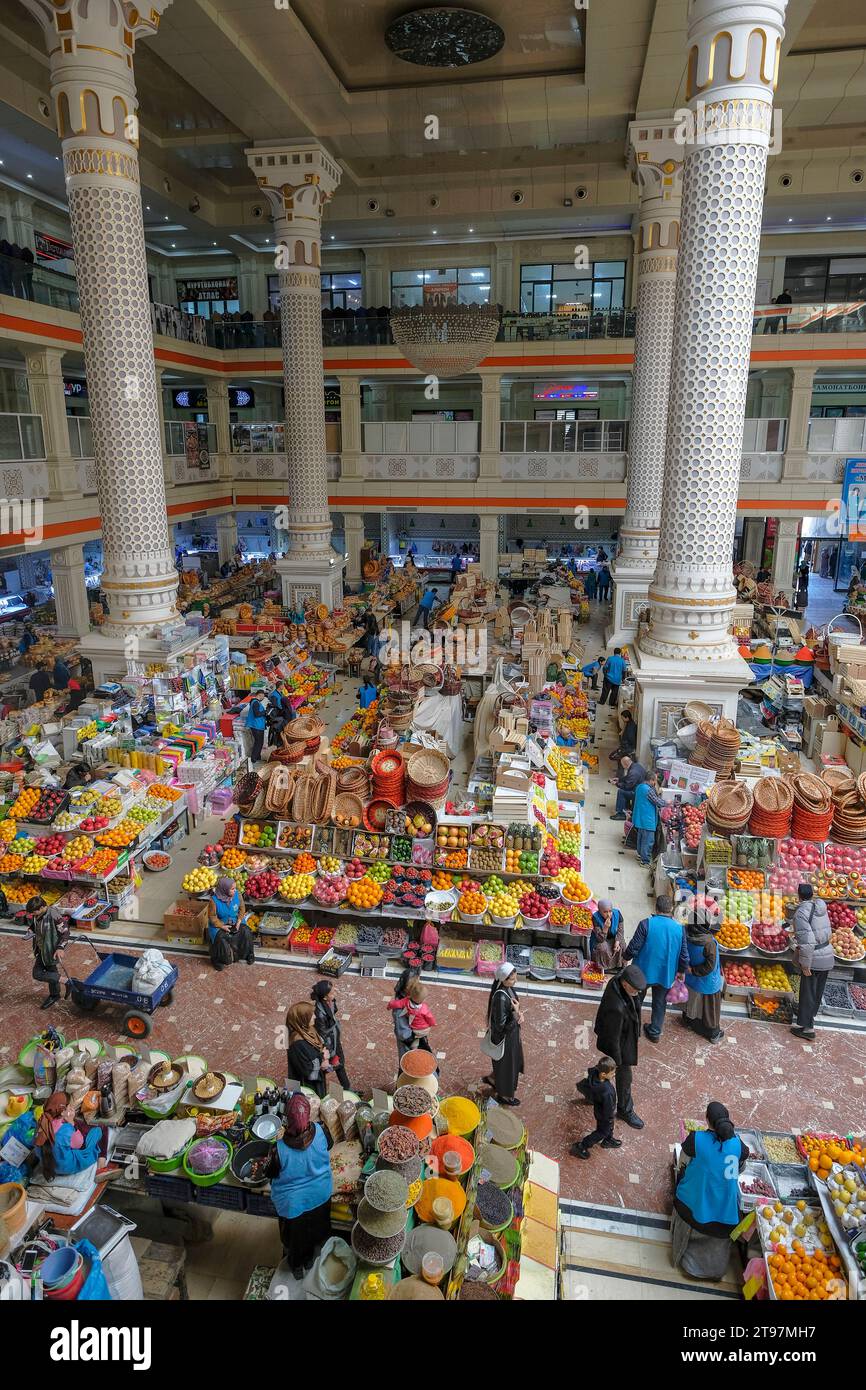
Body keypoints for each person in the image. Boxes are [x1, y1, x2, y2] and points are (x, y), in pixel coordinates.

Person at [672, 1102, 749, 1281]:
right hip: (726, 1213)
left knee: (683, 1186)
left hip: (695, 1208)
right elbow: (741, 1167)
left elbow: (682, 1162)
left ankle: (686, 1257)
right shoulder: (738, 1144)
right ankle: (713, 1270)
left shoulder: (696, 1139)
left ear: (707, 1120)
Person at [265, 1092, 333, 1281]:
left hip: (293, 1205)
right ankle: (311, 1259)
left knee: (296, 1239)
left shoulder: (278, 1149)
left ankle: (296, 1266)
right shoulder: (321, 1130)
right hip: (321, 1194)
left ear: (287, 1120)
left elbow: (269, 1172)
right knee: (315, 1229)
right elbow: (330, 1144)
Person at [579, 963, 646, 1129]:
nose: (638, 993)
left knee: (607, 1069)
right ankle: (625, 1109)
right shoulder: (616, 1007)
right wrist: (617, 1061)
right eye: (635, 990)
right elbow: (612, 1037)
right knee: (624, 1076)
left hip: (623, 1036)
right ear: (625, 985)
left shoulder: (618, 981)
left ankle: (587, 1087)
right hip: (618, 1044)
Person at [624, 893, 688, 1042]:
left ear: (656, 908)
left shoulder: (646, 924)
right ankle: (654, 1032)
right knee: (660, 1003)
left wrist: (625, 958)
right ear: (671, 908)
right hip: (665, 974)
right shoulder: (679, 929)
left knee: (635, 1000)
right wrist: (681, 971)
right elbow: (684, 955)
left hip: (642, 973)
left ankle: (633, 1029)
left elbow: (634, 948)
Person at [791, 883, 834, 1039]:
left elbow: (808, 942)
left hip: (814, 957)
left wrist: (805, 964)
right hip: (827, 955)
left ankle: (808, 1029)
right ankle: (809, 1020)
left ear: (799, 896)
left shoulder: (801, 912)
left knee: (808, 992)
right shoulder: (820, 907)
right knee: (816, 992)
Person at [482, 961, 524, 1107]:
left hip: (511, 1035)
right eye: (512, 979)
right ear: (504, 979)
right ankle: (504, 1096)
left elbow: (511, 1013)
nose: (515, 980)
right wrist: (516, 1016)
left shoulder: (508, 989)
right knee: (508, 1066)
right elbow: (500, 1027)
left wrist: (518, 1013)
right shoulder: (500, 997)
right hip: (505, 1039)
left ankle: (494, 1079)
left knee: (506, 1064)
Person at [34, 1091, 102, 1180]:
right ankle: (102, 1164)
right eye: (69, 1106)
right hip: (66, 1167)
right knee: (99, 1130)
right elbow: (80, 1144)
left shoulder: (41, 1124)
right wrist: (71, 1122)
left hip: (50, 1166)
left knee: (62, 1146)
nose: (71, 1108)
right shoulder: (66, 1129)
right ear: (62, 1112)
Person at [682, 908, 725, 1043]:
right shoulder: (708, 943)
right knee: (709, 1009)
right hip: (707, 981)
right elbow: (710, 966)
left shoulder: (685, 934)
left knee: (692, 1002)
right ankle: (713, 1034)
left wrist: (689, 970)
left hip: (691, 978)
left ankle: (689, 1021)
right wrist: (694, 970)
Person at [570, 1056, 621, 1159]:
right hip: (605, 1115)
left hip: (599, 1110)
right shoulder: (607, 1092)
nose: (614, 1074)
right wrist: (610, 1118)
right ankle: (582, 1145)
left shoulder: (595, 1073)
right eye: (612, 1073)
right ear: (603, 1074)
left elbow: (592, 1069)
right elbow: (608, 1109)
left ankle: (608, 1139)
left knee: (607, 1128)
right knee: (602, 1131)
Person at [27, 895, 69, 1009]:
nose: (33, 915)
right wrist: (31, 929)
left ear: (41, 908)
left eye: (34, 912)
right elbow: (35, 924)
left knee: (37, 973)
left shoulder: (54, 915)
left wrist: (60, 948)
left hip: (50, 951)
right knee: (51, 974)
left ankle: (64, 983)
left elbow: (65, 932)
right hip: (42, 949)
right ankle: (56, 993)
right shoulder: (38, 915)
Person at [206, 876, 255, 971]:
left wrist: (239, 920)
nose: (235, 890)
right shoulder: (214, 901)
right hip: (219, 924)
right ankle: (217, 960)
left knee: (246, 932)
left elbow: (242, 909)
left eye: (235, 888)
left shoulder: (238, 895)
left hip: (235, 920)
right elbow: (212, 917)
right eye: (232, 889)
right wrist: (222, 926)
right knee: (220, 938)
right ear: (224, 889)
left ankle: (249, 954)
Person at [311, 979, 350, 1089]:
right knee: (325, 1067)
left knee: (340, 1063)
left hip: (334, 1039)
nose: (335, 992)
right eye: (332, 992)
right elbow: (322, 1037)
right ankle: (320, 1090)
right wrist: (332, 1054)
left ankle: (347, 1088)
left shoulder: (330, 1002)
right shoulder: (319, 1015)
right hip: (327, 1045)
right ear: (324, 997)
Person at [286, 1002, 330, 1098]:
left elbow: (320, 1046)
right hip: (307, 1088)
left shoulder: (308, 1029)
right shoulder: (297, 1044)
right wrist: (323, 1062)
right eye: (311, 1015)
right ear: (302, 1018)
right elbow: (308, 1073)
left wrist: (324, 1056)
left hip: (317, 1080)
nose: (315, 1017)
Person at [389, 977, 436, 1053]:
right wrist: (433, 1024)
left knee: (417, 1038)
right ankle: (417, 1041)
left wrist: (389, 1006)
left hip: (414, 1029)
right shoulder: (424, 1008)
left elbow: (395, 1003)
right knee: (421, 1039)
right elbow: (430, 1018)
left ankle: (416, 1042)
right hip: (423, 1030)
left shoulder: (406, 1002)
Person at [630, 772, 664, 866]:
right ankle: (645, 861)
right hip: (647, 820)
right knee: (648, 841)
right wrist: (668, 802)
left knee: (641, 838)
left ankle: (640, 855)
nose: (655, 783)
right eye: (655, 781)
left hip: (640, 817)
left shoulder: (640, 787)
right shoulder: (648, 790)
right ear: (651, 780)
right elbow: (658, 802)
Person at [390, 967, 417, 1063]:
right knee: (408, 1064)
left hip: (414, 1036)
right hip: (408, 1042)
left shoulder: (411, 998)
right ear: (406, 989)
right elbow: (403, 1034)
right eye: (414, 986)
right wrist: (413, 1043)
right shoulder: (399, 1009)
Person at [590, 900, 626, 972]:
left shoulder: (617, 914)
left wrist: (617, 941)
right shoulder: (595, 918)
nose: (609, 914)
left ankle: (618, 965)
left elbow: (620, 930)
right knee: (602, 948)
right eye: (605, 912)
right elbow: (600, 939)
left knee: (622, 945)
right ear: (599, 911)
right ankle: (604, 967)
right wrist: (605, 928)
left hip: (614, 937)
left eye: (610, 911)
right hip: (601, 939)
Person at [609, 754, 648, 821]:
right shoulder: (636, 766)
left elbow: (627, 786)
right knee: (625, 790)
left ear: (625, 764)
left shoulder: (633, 772)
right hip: (640, 788)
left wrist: (616, 784)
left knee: (621, 792)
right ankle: (627, 807)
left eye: (622, 765)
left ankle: (621, 814)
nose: (622, 767)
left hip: (638, 793)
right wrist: (619, 779)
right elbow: (628, 778)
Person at [245, 692, 267, 762]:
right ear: (259, 695)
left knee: (259, 742)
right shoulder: (256, 703)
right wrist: (265, 712)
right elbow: (257, 714)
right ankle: (254, 759)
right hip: (256, 726)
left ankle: (257, 757)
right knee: (258, 742)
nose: (262, 698)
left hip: (257, 725)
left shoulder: (254, 702)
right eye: (262, 697)